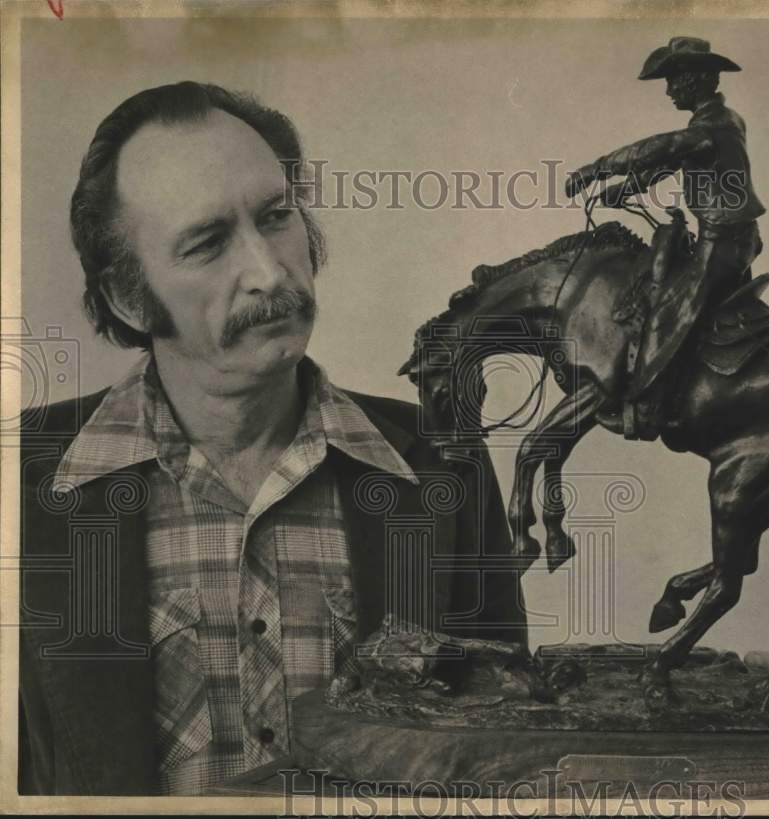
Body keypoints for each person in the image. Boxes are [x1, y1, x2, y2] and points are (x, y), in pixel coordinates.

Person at [18, 81, 527, 796]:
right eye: (206, 243)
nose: (267, 271)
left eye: (276, 216)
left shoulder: (444, 463)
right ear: (129, 297)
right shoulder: (22, 483)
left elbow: (503, 759)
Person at [566, 36, 766, 440]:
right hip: (732, 238)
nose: (669, 90)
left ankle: (648, 407)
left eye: (674, 81)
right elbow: (676, 159)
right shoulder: (716, 124)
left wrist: (598, 169)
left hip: (722, 243)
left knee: (666, 312)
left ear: (695, 80)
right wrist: (626, 190)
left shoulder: (715, 124)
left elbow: (666, 147)